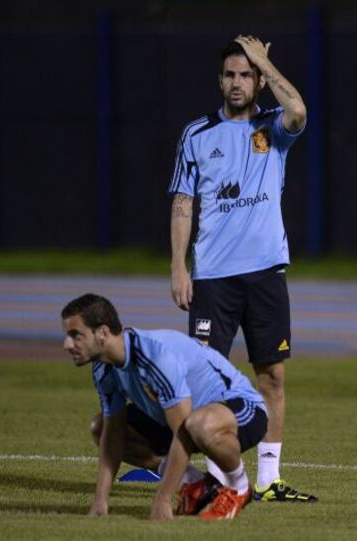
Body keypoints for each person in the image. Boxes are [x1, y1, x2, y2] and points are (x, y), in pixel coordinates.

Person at [169, 35, 317, 502]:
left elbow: (299, 110)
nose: (238, 82)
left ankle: (270, 480)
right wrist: (178, 266)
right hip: (212, 275)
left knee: (271, 374)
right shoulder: (196, 134)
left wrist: (265, 61)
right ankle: (222, 479)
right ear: (220, 80)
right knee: (208, 377)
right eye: (231, 75)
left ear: (257, 80)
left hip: (265, 272)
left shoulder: (274, 128)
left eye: (246, 74)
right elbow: (183, 201)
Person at [61, 293, 269, 520]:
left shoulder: (156, 357)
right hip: (188, 420)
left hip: (241, 408)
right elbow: (113, 435)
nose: (67, 344)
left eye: (75, 335)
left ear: (102, 333)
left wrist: (162, 499)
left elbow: (183, 434)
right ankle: (197, 484)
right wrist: (100, 501)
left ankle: (238, 488)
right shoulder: (103, 368)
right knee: (100, 427)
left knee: (197, 425)